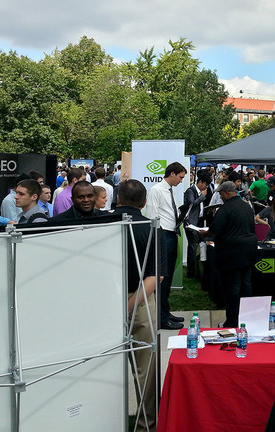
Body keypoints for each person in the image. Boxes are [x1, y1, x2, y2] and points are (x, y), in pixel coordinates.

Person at [112, 179, 159, 431]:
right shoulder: (150, 228)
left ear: (117, 199)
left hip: (100, 303)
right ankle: (146, 426)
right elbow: (155, 276)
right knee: (146, 372)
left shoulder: (101, 225)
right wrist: (130, 305)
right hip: (140, 303)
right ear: (143, 202)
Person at [202, 181, 257, 327]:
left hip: (232, 253)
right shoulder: (247, 206)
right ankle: (248, 319)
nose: (220, 196)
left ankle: (232, 321)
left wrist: (203, 233)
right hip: (248, 251)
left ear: (226, 193)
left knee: (232, 288)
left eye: (221, 193)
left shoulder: (225, 209)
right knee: (246, 285)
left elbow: (214, 230)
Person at [144, 161, 186, 330]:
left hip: (171, 232)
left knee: (167, 277)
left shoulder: (171, 190)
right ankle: (160, 317)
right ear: (172, 173)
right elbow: (152, 215)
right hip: (162, 234)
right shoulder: (156, 190)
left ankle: (165, 312)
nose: (181, 180)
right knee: (162, 277)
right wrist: (158, 239)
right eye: (180, 177)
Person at [183, 170, 210, 279]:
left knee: (197, 245)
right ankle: (191, 272)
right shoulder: (191, 191)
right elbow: (191, 204)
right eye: (206, 184)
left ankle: (196, 270)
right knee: (193, 246)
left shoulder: (198, 192)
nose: (206, 187)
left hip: (198, 221)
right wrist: (202, 197)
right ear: (201, 182)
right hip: (191, 223)